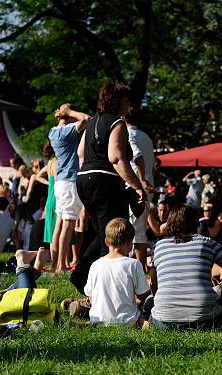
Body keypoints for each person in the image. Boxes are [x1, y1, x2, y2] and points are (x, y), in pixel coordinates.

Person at [72, 83, 145, 295]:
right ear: (119, 101)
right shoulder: (117, 123)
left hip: (84, 179)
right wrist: (137, 186)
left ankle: (81, 275)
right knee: (112, 235)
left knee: (98, 233)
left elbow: (80, 153)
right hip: (105, 181)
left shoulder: (92, 122)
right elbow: (116, 157)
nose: (129, 104)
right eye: (126, 100)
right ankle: (105, 292)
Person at [150, 204, 222, 329]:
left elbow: (154, 284)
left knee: (150, 302)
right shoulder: (206, 243)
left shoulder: (159, 246)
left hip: (164, 321)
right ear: (196, 223)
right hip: (204, 319)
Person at [78, 218, 150, 327]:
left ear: (106, 241)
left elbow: (90, 295)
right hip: (127, 321)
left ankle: (83, 315)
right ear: (130, 244)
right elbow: (142, 295)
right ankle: (142, 323)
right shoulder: (134, 264)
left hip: (98, 320)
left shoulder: (95, 265)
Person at [48, 103, 90, 273]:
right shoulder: (67, 131)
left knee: (60, 224)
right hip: (69, 181)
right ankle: (59, 267)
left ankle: (56, 265)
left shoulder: (52, 132)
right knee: (68, 224)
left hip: (61, 182)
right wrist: (70, 112)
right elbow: (87, 118)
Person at [125, 111, 155, 270]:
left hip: (136, 186)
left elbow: (138, 156)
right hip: (147, 186)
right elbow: (154, 165)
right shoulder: (146, 137)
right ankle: (140, 267)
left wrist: (141, 180)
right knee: (140, 227)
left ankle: (138, 268)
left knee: (136, 230)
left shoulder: (129, 135)